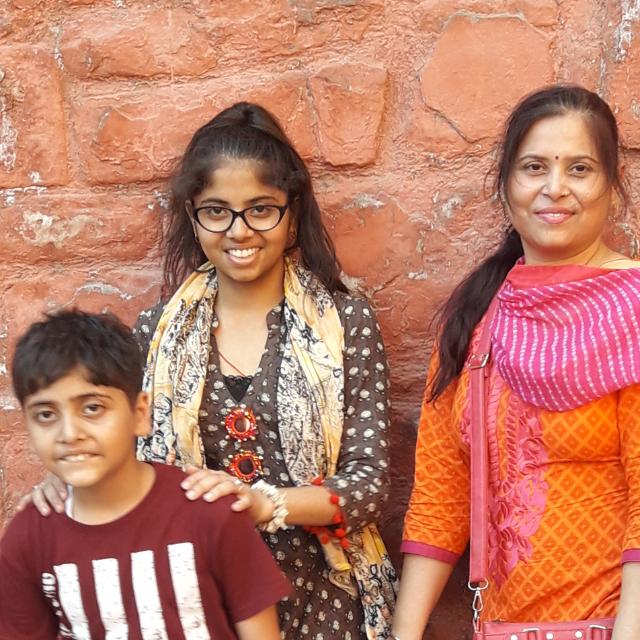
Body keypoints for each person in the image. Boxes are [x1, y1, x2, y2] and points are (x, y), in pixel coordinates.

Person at [27, 102, 396, 639]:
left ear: (292, 211)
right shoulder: (156, 334)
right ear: (192, 214)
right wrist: (62, 479)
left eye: (261, 209)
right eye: (217, 211)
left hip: (327, 599)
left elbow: (369, 483)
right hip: (200, 602)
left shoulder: (344, 324)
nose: (239, 231)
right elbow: (120, 448)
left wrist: (266, 504)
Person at [392, 85, 640, 640]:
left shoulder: (632, 310)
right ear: (505, 185)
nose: (555, 188)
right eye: (534, 167)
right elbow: (440, 499)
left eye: (579, 168)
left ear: (612, 185)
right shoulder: (475, 320)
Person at [0, 310, 289, 640]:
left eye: (92, 408)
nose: (69, 433)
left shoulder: (211, 512)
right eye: (46, 414)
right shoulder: (27, 540)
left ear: (140, 414)